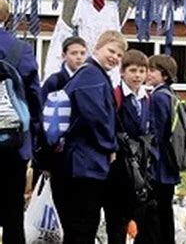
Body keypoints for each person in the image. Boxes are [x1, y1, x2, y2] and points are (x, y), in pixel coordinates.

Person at [57, 30, 127, 244]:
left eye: (119, 55)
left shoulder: (90, 74)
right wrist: (110, 146)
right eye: (111, 51)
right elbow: (96, 118)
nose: (114, 57)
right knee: (83, 226)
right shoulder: (91, 76)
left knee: (79, 227)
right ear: (98, 47)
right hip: (84, 164)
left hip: (80, 161)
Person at [0, 0, 43, 244]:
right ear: (7, 17)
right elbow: (34, 96)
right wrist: (33, 134)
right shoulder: (21, 49)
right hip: (14, 143)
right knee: (14, 214)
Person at [37, 36, 87, 222]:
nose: (79, 57)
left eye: (82, 53)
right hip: (57, 152)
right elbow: (44, 120)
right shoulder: (54, 81)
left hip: (80, 153)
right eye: (74, 53)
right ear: (64, 55)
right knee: (61, 206)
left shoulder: (87, 80)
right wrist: (44, 159)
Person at [105, 50, 150, 244]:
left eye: (142, 71)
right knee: (116, 221)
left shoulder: (146, 97)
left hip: (139, 166)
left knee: (137, 217)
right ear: (122, 72)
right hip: (118, 168)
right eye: (133, 70)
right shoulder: (116, 96)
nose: (137, 75)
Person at [136, 55, 180, 244]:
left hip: (159, 165)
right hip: (169, 165)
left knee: (155, 212)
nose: (148, 74)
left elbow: (155, 133)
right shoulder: (170, 94)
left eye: (152, 70)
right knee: (165, 211)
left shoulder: (158, 97)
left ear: (165, 74)